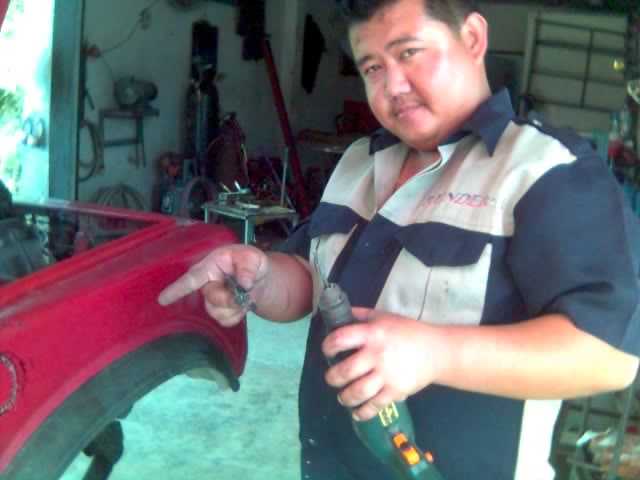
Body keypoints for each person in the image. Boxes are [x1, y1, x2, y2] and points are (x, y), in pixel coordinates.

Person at [158, 0, 640, 478]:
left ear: (472, 38)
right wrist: (260, 278)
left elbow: (609, 356)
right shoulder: (359, 161)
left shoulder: (547, 171)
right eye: (372, 67)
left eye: (409, 53)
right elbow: (311, 278)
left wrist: (434, 353)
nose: (392, 86)